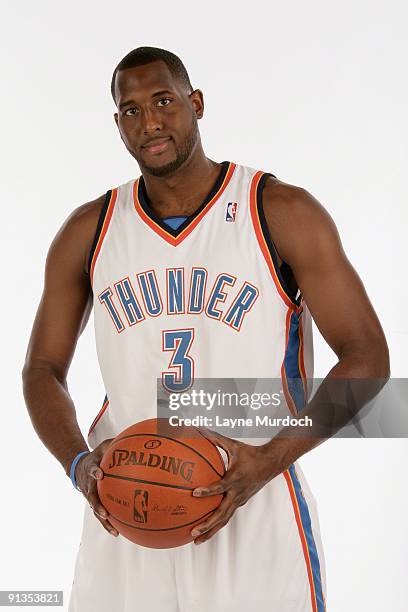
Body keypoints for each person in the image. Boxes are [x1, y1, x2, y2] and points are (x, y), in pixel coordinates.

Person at [22, 46, 390, 612]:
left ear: (195, 104)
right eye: (130, 109)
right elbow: (42, 368)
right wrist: (79, 462)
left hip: (255, 496)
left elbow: (367, 358)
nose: (149, 122)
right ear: (117, 123)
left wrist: (269, 461)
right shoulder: (89, 230)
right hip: (125, 509)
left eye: (163, 101)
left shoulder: (280, 211)